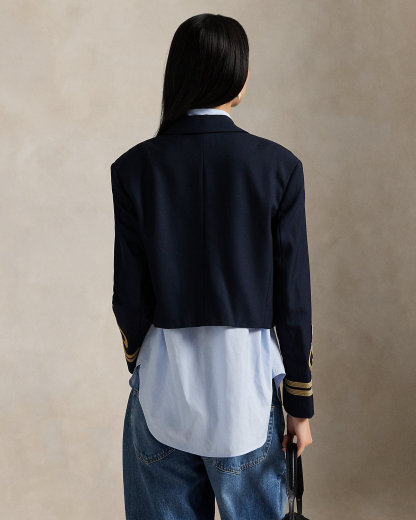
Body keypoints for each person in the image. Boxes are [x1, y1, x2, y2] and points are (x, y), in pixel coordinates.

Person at [111, 13, 314, 520]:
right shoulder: (278, 167)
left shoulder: (134, 167)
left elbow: (129, 297)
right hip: (245, 392)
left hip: (163, 389)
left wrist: (140, 360)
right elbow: (293, 301)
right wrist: (300, 404)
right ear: (238, 76)